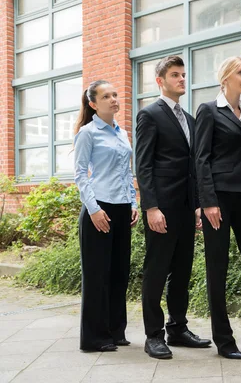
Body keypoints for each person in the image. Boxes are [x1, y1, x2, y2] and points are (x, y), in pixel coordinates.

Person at [135, 55, 211, 360]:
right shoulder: (149, 115)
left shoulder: (190, 119)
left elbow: (193, 167)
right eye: (175, 75)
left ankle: (178, 328)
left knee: (181, 271)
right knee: (156, 271)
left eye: (183, 74)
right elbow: (144, 165)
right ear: (160, 81)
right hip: (161, 209)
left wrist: (196, 206)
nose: (182, 79)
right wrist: (151, 207)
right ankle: (153, 335)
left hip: (184, 209)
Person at [194, 56, 241, 360]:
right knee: (218, 268)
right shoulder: (209, 111)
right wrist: (207, 202)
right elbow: (201, 159)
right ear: (226, 77)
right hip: (219, 202)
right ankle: (224, 340)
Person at [74, 80, 139, 352]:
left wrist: (133, 202)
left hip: (122, 208)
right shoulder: (88, 133)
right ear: (93, 104)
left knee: (119, 273)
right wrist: (94, 209)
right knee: (97, 274)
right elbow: (79, 175)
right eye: (106, 96)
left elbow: (127, 172)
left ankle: (115, 331)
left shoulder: (122, 133)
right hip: (98, 208)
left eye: (115, 94)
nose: (113, 99)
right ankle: (94, 338)